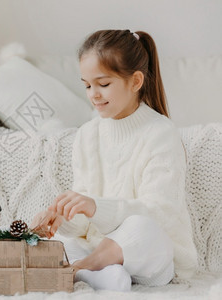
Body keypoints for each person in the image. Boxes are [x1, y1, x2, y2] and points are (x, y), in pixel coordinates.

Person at [30, 29, 198, 291]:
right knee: (64, 243)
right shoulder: (87, 134)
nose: (93, 94)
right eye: (86, 85)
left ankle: (79, 268)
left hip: (148, 255)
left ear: (135, 81)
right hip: (97, 246)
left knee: (143, 229)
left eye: (103, 84)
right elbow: (84, 219)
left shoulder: (160, 133)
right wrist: (63, 218)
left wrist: (95, 206)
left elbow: (161, 214)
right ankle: (101, 275)